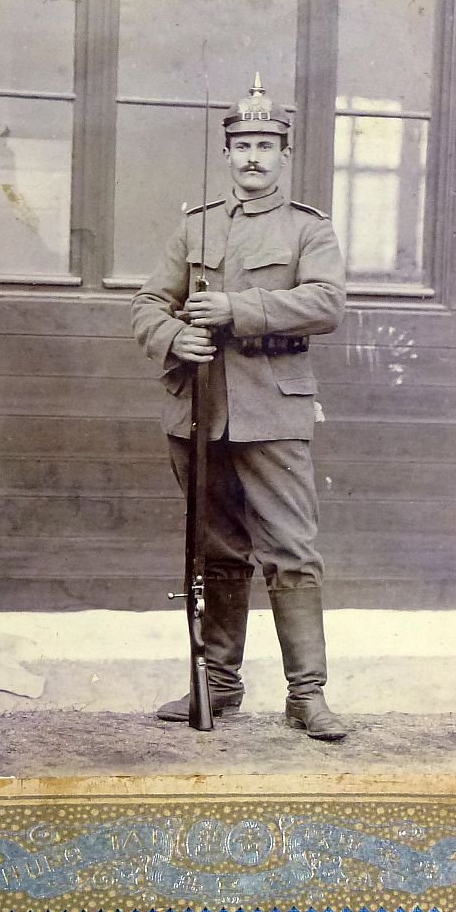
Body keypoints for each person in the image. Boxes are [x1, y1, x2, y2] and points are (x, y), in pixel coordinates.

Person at [131, 74, 347, 741]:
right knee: (217, 551)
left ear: (283, 154)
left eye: (265, 145)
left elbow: (326, 303)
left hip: (275, 412)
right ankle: (219, 683)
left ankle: (306, 694)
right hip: (200, 411)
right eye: (242, 145)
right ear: (227, 152)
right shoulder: (194, 227)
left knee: (292, 551)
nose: (252, 157)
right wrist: (177, 335)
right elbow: (145, 305)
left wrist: (236, 310)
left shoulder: (309, 228)